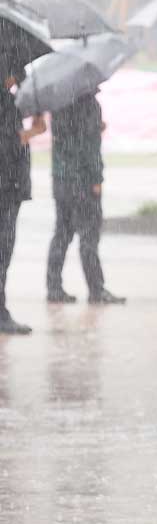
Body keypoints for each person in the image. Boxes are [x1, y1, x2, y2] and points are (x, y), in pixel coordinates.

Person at [45, 92, 125, 305]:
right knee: (89, 236)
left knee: (62, 232)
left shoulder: (58, 103)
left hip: (61, 178)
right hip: (83, 181)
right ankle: (96, 289)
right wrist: (96, 178)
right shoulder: (89, 104)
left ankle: (53, 287)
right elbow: (89, 147)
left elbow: (68, 139)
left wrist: (94, 129)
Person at [0, 56, 45, 334]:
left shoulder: (8, 102)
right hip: (6, 187)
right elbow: (7, 142)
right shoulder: (5, 101)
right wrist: (32, 132)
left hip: (8, 186)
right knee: (2, 251)